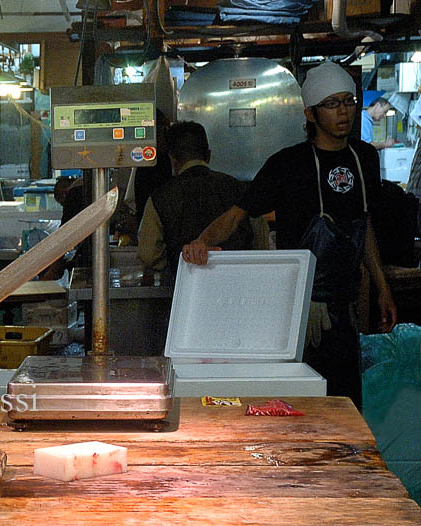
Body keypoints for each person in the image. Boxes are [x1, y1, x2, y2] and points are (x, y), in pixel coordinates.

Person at [183, 60, 397, 408]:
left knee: (345, 405)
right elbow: (237, 214)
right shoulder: (288, 164)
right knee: (302, 405)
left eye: (348, 101)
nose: (343, 111)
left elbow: (364, 225)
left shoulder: (366, 158)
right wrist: (202, 241)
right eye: (332, 104)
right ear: (310, 114)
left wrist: (382, 289)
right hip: (300, 310)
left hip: (346, 306)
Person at [137, 120, 267, 280]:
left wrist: (176, 266)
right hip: (239, 284)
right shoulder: (241, 190)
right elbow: (261, 242)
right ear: (209, 154)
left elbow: (148, 255)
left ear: (172, 159)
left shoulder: (160, 198)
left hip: (187, 287)